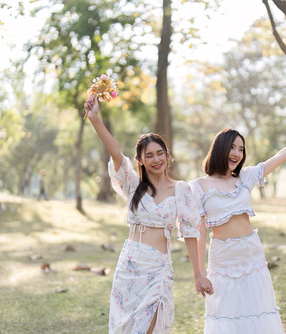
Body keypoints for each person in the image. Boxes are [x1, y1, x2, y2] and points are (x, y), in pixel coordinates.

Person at [84, 95, 213, 334]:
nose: (156, 159)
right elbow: (116, 155)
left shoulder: (180, 190)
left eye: (160, 153)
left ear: (167, 155)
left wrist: (199, 274)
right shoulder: (133, 185)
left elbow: (190, 232)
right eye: (149, 155)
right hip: (130, 265)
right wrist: (95, 119)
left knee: (149, 328)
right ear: (140, 161)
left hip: (158, 268)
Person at [190, 118, 286, 333]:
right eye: (232, 147)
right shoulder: (198, 186)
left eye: (241, 149)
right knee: (225, 317)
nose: (237, 153)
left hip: (251, 254)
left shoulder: (245, 177)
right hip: (223, 258)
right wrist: (199, 273)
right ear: (219, 149)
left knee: (258, 313)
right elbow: (199, 233)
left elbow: (280, 156)